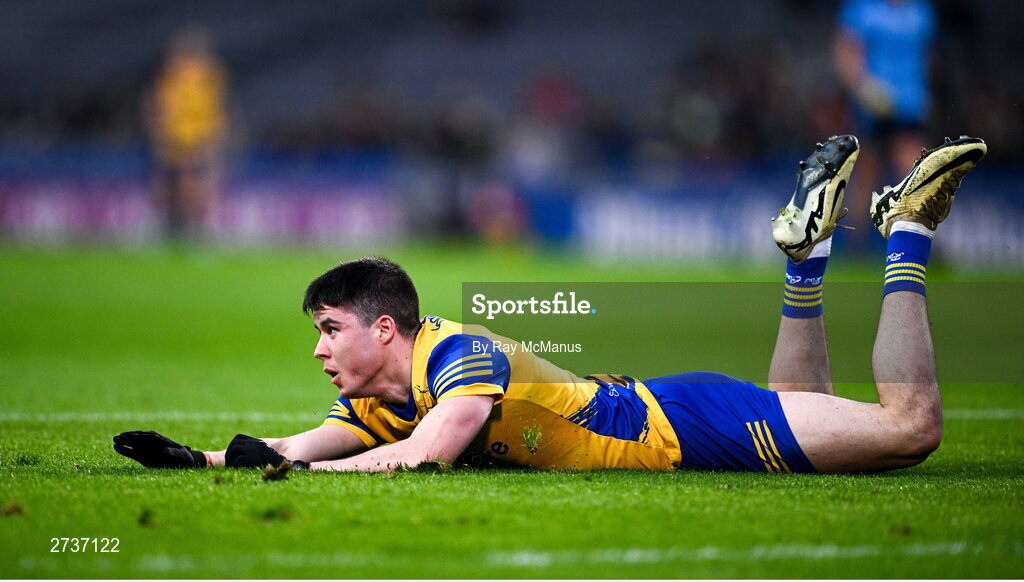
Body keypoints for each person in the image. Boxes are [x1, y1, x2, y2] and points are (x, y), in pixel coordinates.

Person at [113, 134, 987, 474]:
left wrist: (302, 472)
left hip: (688, 427)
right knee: (802, 410)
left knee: (911, 428)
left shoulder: (458, 359)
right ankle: (807, 262)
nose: (320, 351)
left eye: (329, 330)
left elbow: (428, 456)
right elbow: (299, 442)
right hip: (678, 407)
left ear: (385, 327)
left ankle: (905, 229)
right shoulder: (386, 394)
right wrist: (200, 460)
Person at [834, 0, 937, 250]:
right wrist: (862, 87)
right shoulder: (862, 9)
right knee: (867, 175)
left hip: (910, 105)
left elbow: (927, 57)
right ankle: (854, 244)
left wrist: (928, 93)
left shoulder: (921, 12)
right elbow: (846, 54)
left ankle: (920, 240)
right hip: (874, 105)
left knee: (915, 172)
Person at [144, 26, 228, 241]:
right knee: (180, 187)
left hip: (194, 140)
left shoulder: (206, 75)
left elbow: (214, 109)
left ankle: (190, 230)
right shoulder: (178, 74)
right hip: (181, 140)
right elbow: (161, 108)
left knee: (192, 187)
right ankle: (179, 229)